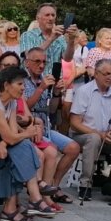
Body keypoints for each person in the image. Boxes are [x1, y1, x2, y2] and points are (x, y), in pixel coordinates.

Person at [0, 66, 53, 221]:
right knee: (16, 151)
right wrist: (26, 133)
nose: (23, 88)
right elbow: (12, 136)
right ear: (7, 85)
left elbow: (12, 134)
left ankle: (29, 199)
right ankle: (27, 199)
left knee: (22, 146)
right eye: (20, 84)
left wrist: (3, 143)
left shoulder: (11, 102)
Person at [22, 47, 79, 204]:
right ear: (27, 63)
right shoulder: (22, 80)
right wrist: (41, 89)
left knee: (73, 148)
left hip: (46, 125)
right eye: (37, 61)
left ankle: (54, 185)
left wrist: (56, 92)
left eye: (43, 62)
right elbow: (25, 106)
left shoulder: (44, 79)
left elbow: (52, 109)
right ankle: (42, 192)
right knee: (50, 150)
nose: (41, 66)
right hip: (30, 127)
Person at [66, 59, 111, 201]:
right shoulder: (84, 91)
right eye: (106, 74)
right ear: (96, 74)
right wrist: (99, 134)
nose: (110, 77)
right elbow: (74, 123)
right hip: (83, 135)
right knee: (94, 139)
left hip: (109, 135)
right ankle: (85, 184)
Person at [19, 3, 75, 75]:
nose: (51, 18)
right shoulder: (27, 35)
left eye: (53, 15)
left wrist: (71, 40)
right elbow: (30, 56)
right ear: (37, 18)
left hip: (55, 83)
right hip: (34, 82)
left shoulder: (60, 37)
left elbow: (67, 59)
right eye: (47, 15)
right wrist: (51, 38)